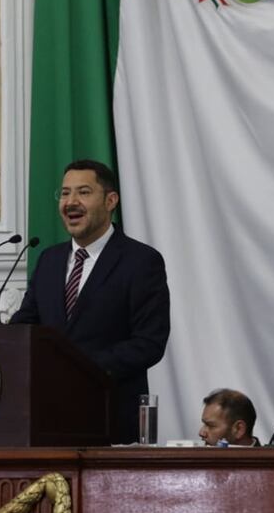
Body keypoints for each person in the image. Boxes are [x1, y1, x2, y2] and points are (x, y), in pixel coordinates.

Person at [10, 160, 171, 444]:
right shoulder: (49, 259)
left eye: (83, 192)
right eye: (64, 193)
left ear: (110, 200)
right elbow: (26, 326)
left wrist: (80, 369)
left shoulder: (141, 261)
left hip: (111, 420)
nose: (71, 202)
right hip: (47, 421)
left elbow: (149, 342)